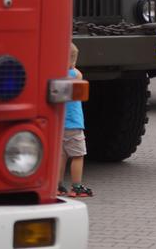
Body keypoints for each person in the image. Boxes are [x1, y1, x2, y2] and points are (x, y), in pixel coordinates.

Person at [58, 43, 93, 198]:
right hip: (73, 124)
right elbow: (79, 75)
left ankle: (57, 185)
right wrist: (71, 65)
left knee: (61, 156)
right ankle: (76, 186)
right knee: (78, 156)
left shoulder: (55, 76)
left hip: (60, 124)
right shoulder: (73, 74)